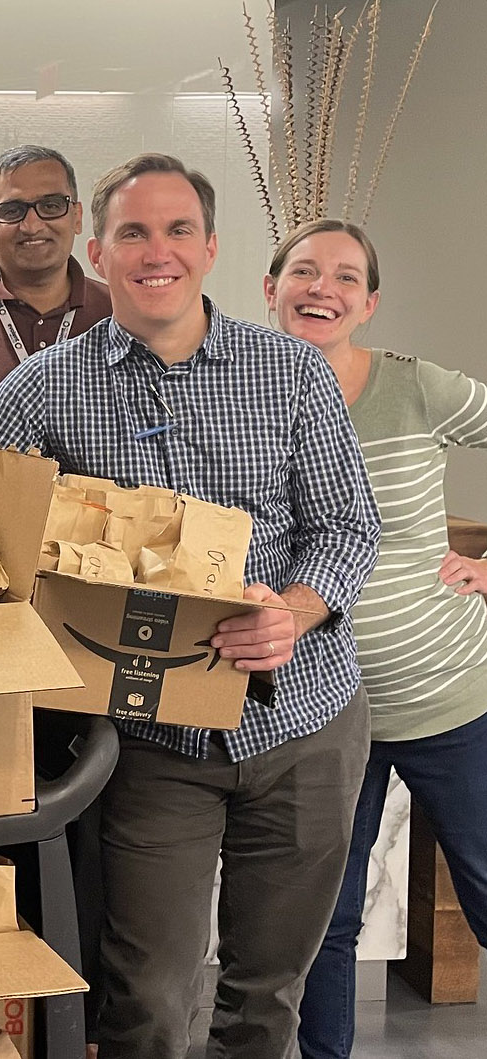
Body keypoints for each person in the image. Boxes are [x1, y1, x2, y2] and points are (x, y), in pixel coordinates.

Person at [0, 154, 380, 1059]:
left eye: (178, 229)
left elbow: (350, 526)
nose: (158, 251)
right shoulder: (44, 389)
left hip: (304, 724)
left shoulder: (291, 372)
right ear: (98, 251)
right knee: (147, 993)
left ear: (211, 247)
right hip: (154, 742)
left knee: (268, 991)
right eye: (134, 232)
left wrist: (295, 610)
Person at [265, 220, 487, 1059]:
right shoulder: (248, 396)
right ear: (271, 288)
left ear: (369, 302)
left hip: (448, 700)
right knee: (324, 918)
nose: (322, 288)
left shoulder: (416, 387)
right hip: (321, 713)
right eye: (304, 271)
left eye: (345, 276)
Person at [0, 144, 113, 388]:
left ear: (77, 217)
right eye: (11, 211)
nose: (32, 226)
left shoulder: (119, 313)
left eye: (51, 206)